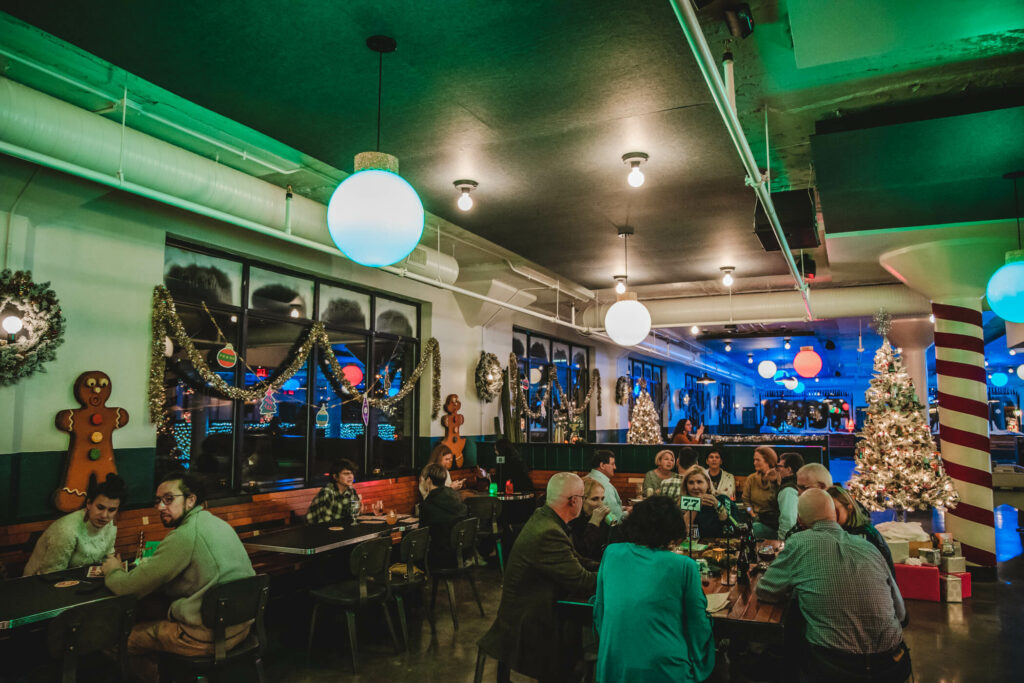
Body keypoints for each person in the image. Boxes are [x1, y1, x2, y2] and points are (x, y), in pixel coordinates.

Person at [102, 472, 255, 682]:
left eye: (169, 499)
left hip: (206, 637)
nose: (160, 507)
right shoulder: (218, 524)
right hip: (241, 627)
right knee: (155, 612)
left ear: (191, 500)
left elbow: (128, 588)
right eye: (158, 501)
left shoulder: (184, 535)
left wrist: (112, 569)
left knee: (115, 640)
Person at [756, 489, 911, 682]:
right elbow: (901, 613)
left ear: (801, 520)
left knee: (784, 646)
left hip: (833, 666)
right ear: (834, 514)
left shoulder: (799, 543)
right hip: (892, 664)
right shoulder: (868, 546)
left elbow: (766, 591)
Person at [478, 472, 597, 682]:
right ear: (574, 501)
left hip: (530, 609)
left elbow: (577, 559)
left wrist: (610, 565)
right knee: (589, 635)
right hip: (528, 623)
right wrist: (616, 575)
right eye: (583, 497)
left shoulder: (545, 517)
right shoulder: (549, 532)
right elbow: (581, 581)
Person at [594, 496, 715, 682]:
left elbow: (600, 610)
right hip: (664, 666)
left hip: (614, 661)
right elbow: (698, 623)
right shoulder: (683, 565)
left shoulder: (611, 553)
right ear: (673, 528)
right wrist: (697, 666)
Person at [24, 474, 125, 576]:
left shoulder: (110, 525)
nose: (104, 515)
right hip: (38, 582)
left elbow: (107, 560)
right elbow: (52, 575)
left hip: (83, 581)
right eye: (100, 507)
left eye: (112, 510)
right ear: (89, 504)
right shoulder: (66, 530)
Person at [828, 484, 895, 575]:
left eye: (834, 510)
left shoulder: (863, 536)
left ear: (849, 507)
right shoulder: (848, 531)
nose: (829, 515)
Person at [419, 463, 469, 568]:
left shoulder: (427, 504)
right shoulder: (455, 497)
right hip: (462, 555)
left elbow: (422, 535)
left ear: (428, 480)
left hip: (441, 559)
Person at [681, 467, 737, 539]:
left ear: (707, 483)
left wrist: (719, 506)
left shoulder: (722, 499)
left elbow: (735, 527)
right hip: (692, 548)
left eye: (699, 482)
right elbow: (681, 534)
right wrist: (696, 505)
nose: (695, 487)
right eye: (691, 483)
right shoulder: (683, 503)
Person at [568, 476, 612, 563]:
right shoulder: (572, 521)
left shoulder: (602, 519)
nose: (600, 504)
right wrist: (594, 523)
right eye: (595, 499)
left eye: (602, 499)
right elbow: (582, 553)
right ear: (581, 499)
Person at [306, 458, 361, 525]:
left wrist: (359, 509)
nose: (350, 477)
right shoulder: (327, 493)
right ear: (335, 477)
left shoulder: (351, 491)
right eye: (346, 474)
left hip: (340, 528)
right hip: (317, 530)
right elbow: (325, 522)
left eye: (351, 473)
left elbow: (352, 515)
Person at [741, 446, 780, 538]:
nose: (754, 463)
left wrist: (774, 483)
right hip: (756, 519)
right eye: (754, 460)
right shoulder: (751, 479)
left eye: (758, 460)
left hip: (774, 522)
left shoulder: (779, 478)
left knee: (754, 530)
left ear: (768, 461)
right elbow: (746, 503)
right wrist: (753, 514)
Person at [587, 450, 624, 522]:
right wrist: (629, 512)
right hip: (603, 530)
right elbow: (616, 519)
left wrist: (622, 508)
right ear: (602, 465)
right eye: (612, 464)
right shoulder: (606, 487)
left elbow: (601, 507)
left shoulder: (586, 479)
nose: (615, 467)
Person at [776, 452, 805, 538]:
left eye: (780, 466)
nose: (778, 469)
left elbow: (787, 521)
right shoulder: (797, 486)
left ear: (789, 469)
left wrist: (782, 543)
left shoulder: (788, 490)